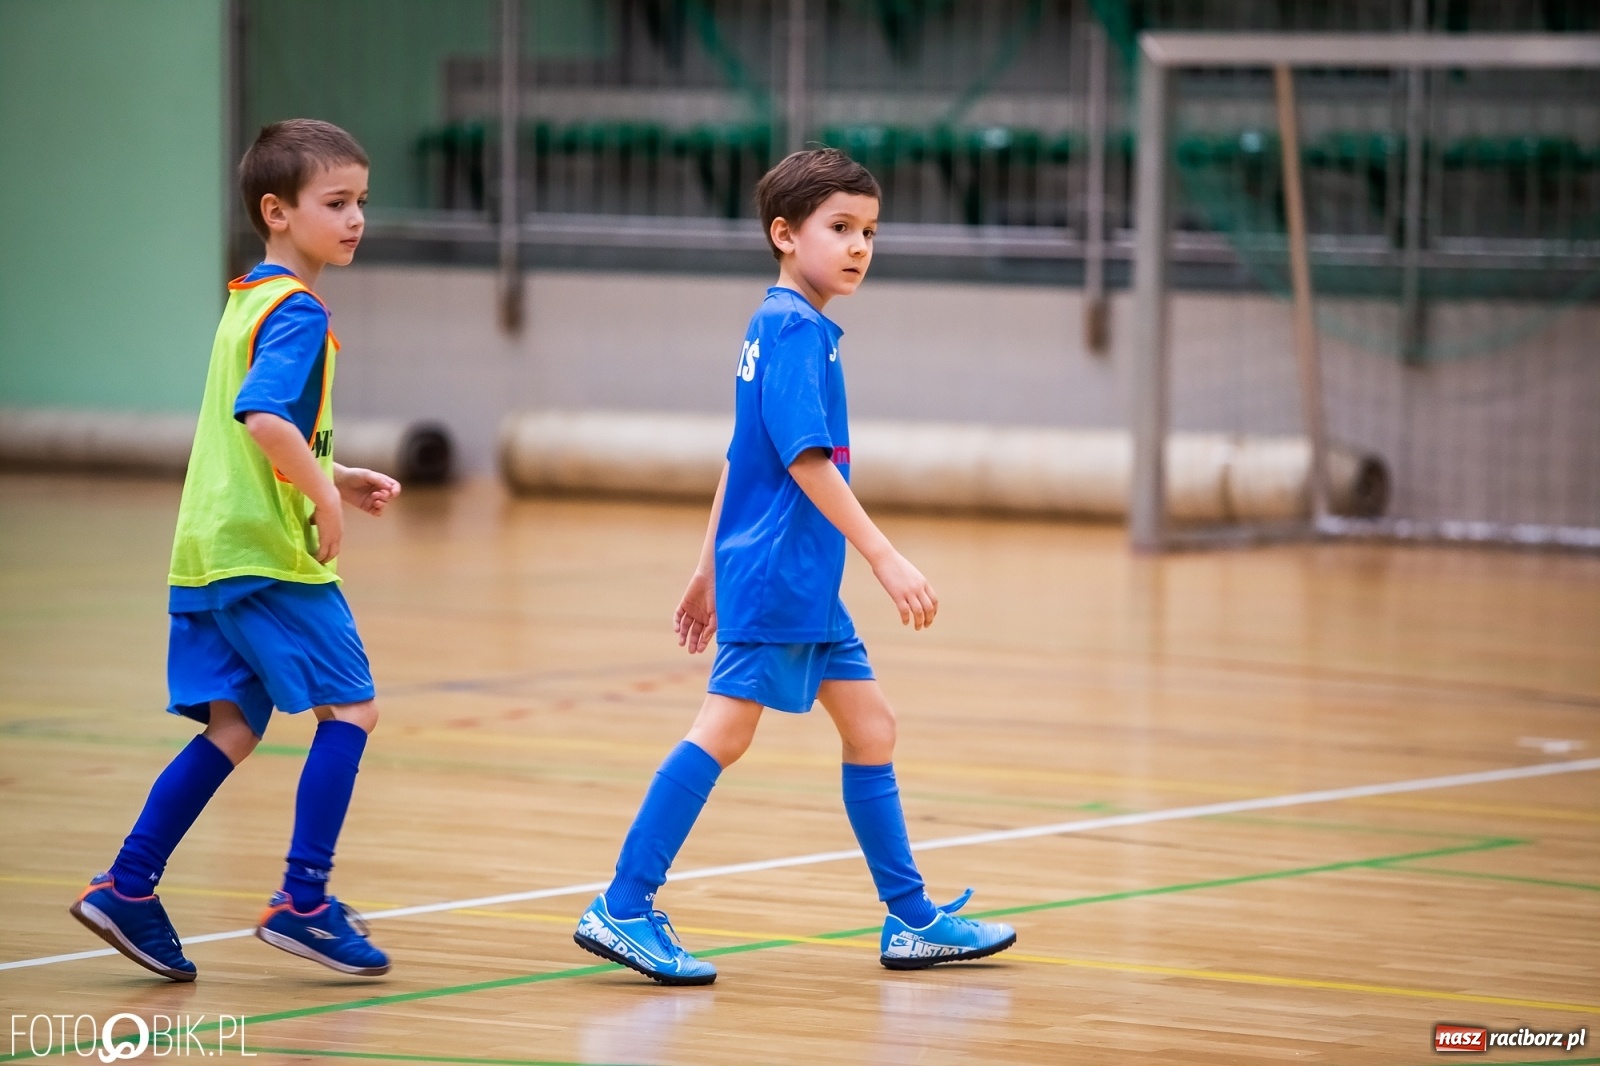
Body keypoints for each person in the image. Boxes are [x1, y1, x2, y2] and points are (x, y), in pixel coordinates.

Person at [572, 148, 1017, 985]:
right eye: (839, 228)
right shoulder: (790, 328)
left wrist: (706, 569)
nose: (858, 247)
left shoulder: (789, 326)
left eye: (869, 232)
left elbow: (740, 460)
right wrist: (883, 556)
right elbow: (806, 463)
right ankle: (624, 907)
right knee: (724, 733)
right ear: (785, 234)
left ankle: (912, 919)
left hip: (798, 580)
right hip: (783, 574)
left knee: (872, 727)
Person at [70, 119, 398, 981]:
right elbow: (262, 416)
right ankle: (305, 900)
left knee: (236, 725)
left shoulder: (247, 297)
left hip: (208, 551)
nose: (356, 217)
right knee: (352, 711)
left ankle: (129, 885)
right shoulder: (297, 309)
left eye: (361, 200)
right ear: (276, 211)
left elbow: (264, 430)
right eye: (336, 203)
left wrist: (337, 470)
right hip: (266, 556)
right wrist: (320, 495)